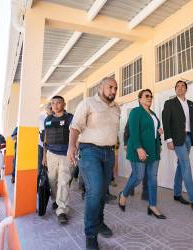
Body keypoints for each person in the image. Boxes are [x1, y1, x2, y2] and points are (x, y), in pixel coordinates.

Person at [67, 77, 120, 250]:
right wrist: (71, 147)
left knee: (102, 192)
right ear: (101, 87)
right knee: (95, 190)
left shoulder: (116, 108)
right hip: (90, 151)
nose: (113, 91)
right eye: (110, 87)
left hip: (109, 153)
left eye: (115, 88)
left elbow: (113, 133)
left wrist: (114, 156)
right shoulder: (88, 103)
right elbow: (75, 127)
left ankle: (99, 223)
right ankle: (90, 234)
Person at [118, 89, 166, 219]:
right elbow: (134, 132)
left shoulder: (153, 114)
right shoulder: (136, 112)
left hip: (154, 150)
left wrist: (159, 136)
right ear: (139, 99)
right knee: (138, 176)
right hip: (139, 149)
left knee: (153, 178)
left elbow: (153, 131)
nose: (149, 98)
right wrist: (139, 148)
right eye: (146, 96)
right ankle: (123, 194)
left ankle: (152, 205)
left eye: (151, 96)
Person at [162, 80, 193, 210]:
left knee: (181, 165)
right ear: (175, 89)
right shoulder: (169, 103)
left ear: (186, 89)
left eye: (182, 86)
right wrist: (169, 139)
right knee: (186, 165)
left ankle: (176, 193)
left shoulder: (191, 104)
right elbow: (166, 121)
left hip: (189, 138)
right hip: (177, 139)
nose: (180, 88)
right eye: (177, 86)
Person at [42, 95, 74, 225]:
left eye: (58, 103)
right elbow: (45, 140)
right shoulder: (47, 120)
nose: (55, 105)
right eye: (53, 103)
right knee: (52, 180)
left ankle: (62, 210)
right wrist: (44, 156)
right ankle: (56, 200)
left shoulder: (70, 118)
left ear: (64, 104)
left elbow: (76, 134)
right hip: (51, 154)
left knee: (63, 181)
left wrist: (74, 151)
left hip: (66, 154)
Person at [123, 121, 148, 200]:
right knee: (138, 173)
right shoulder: (135, 113)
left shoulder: (151, 115)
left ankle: (145, 193)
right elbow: (127, 130)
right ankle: (127, 190)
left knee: (143, 171)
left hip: (147, 146)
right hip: (135, 146)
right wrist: (125, 143)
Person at [38, 103, 52, 175]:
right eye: (50, 108)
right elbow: (44, 135)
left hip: (51, 146)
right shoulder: (41, 118)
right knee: (41, 165)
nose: (52, 110)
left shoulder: (53, 117)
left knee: (48, 165)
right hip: (41, 144)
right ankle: (41, 182)